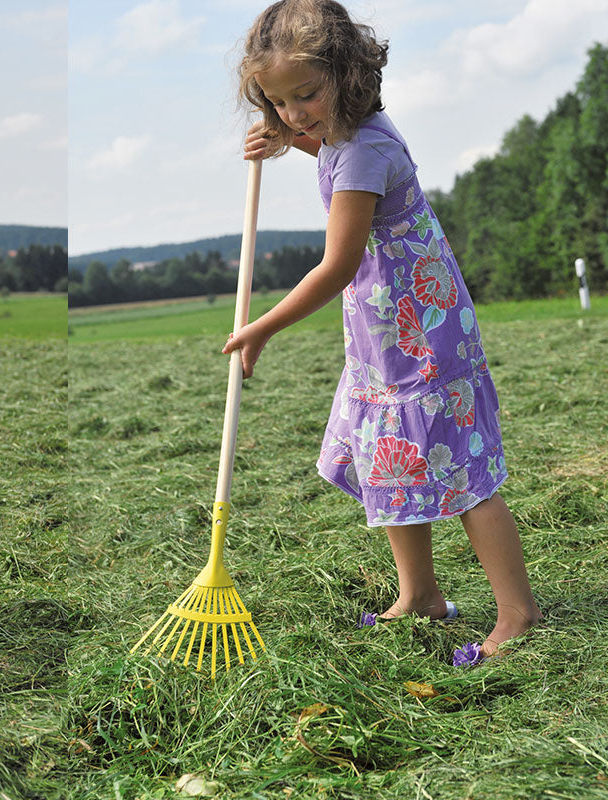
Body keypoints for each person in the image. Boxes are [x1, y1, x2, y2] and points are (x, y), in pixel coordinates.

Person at [223, 0, 540, 663]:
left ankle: (518, 613)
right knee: (391, 455)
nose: (293, 113)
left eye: (305, 95)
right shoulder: (347, 136)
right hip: (386, 334)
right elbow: (328, 150)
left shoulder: (365, 147)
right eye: (278, 102)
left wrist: (262, 328)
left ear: (346, 75)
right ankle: (420, 594)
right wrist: (289, 141)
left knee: (462, 474)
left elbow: (338, 265)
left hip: (422, 333)